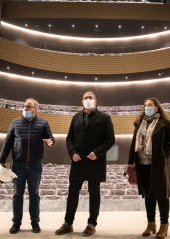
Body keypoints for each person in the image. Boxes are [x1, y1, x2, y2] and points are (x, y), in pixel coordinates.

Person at [55, 91, 115, 236]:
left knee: (94, 192)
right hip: (78, 161)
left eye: (91, 97)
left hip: (95, 161)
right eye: (86, 98)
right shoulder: (76, 117)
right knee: (73, 192)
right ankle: (68, 223)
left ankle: (91, 224)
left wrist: (98, 152)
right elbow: (69, 138)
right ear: (82, 102)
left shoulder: (105, 118)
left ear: (95, 101)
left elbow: (110, 139)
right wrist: (72, 153)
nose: (88, 99)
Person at [0, 98, 55, 235]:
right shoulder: (15, 123)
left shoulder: (43, 123)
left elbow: (51, 137)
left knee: (34, 194)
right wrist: (1, 160)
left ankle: (35, 222)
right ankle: (16, 223)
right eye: (25, 106)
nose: (26, 108)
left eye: (29, 107)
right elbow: (7, 143)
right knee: (18, 194)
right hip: (18, 164)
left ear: (35, 110)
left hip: (35, 164)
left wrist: (50, 141)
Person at [128, 97, 170, 238]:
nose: (147, 108)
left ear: (157, 107)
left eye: (150, 105)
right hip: (142, 164)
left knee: (161, 195)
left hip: (159, 165)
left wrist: (165, 154)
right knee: (148, 195)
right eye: (145, 106)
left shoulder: (164, 123)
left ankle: (164, 225)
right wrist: (130, 161)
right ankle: (151, 224)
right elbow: (134, 144)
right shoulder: (139, 123)